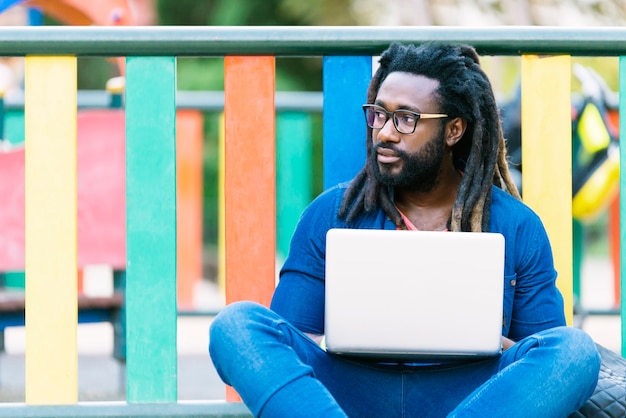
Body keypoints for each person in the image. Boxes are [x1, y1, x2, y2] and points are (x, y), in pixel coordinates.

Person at [209, 42, 601, 417]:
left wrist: (477, 338)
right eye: (378, 114)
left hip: (469, 395)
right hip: (349, 391)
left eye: (406, 119)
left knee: (575, 352)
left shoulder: (516, 225)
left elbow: (544, 350)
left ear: (454, 130)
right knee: (236, 325)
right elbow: (290, 341)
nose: (385, 132)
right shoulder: (331, 213)